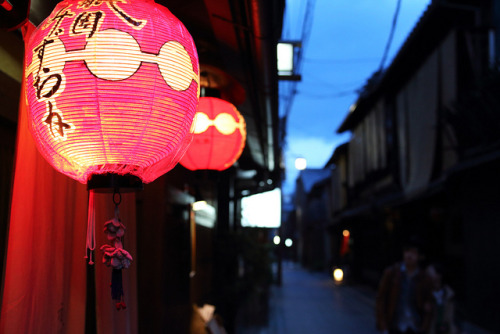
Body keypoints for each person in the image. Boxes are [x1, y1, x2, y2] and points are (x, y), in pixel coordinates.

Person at [376, 236, 433, 334]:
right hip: (395, 325)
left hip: (415, 326)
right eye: (407, 251)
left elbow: (429, 303)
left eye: (413, 252)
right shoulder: (392, 273)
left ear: (419, 256)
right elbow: (381, 299)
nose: (409, 255)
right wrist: (383, 326)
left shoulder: (424, 278)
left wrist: (424, 327)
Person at [426, 263, 461, 334]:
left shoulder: (449, 294)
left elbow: (453, 317)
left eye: (432, 273)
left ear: (439, 275)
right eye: (428, 274)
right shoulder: (426, 294)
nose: (429, 276)